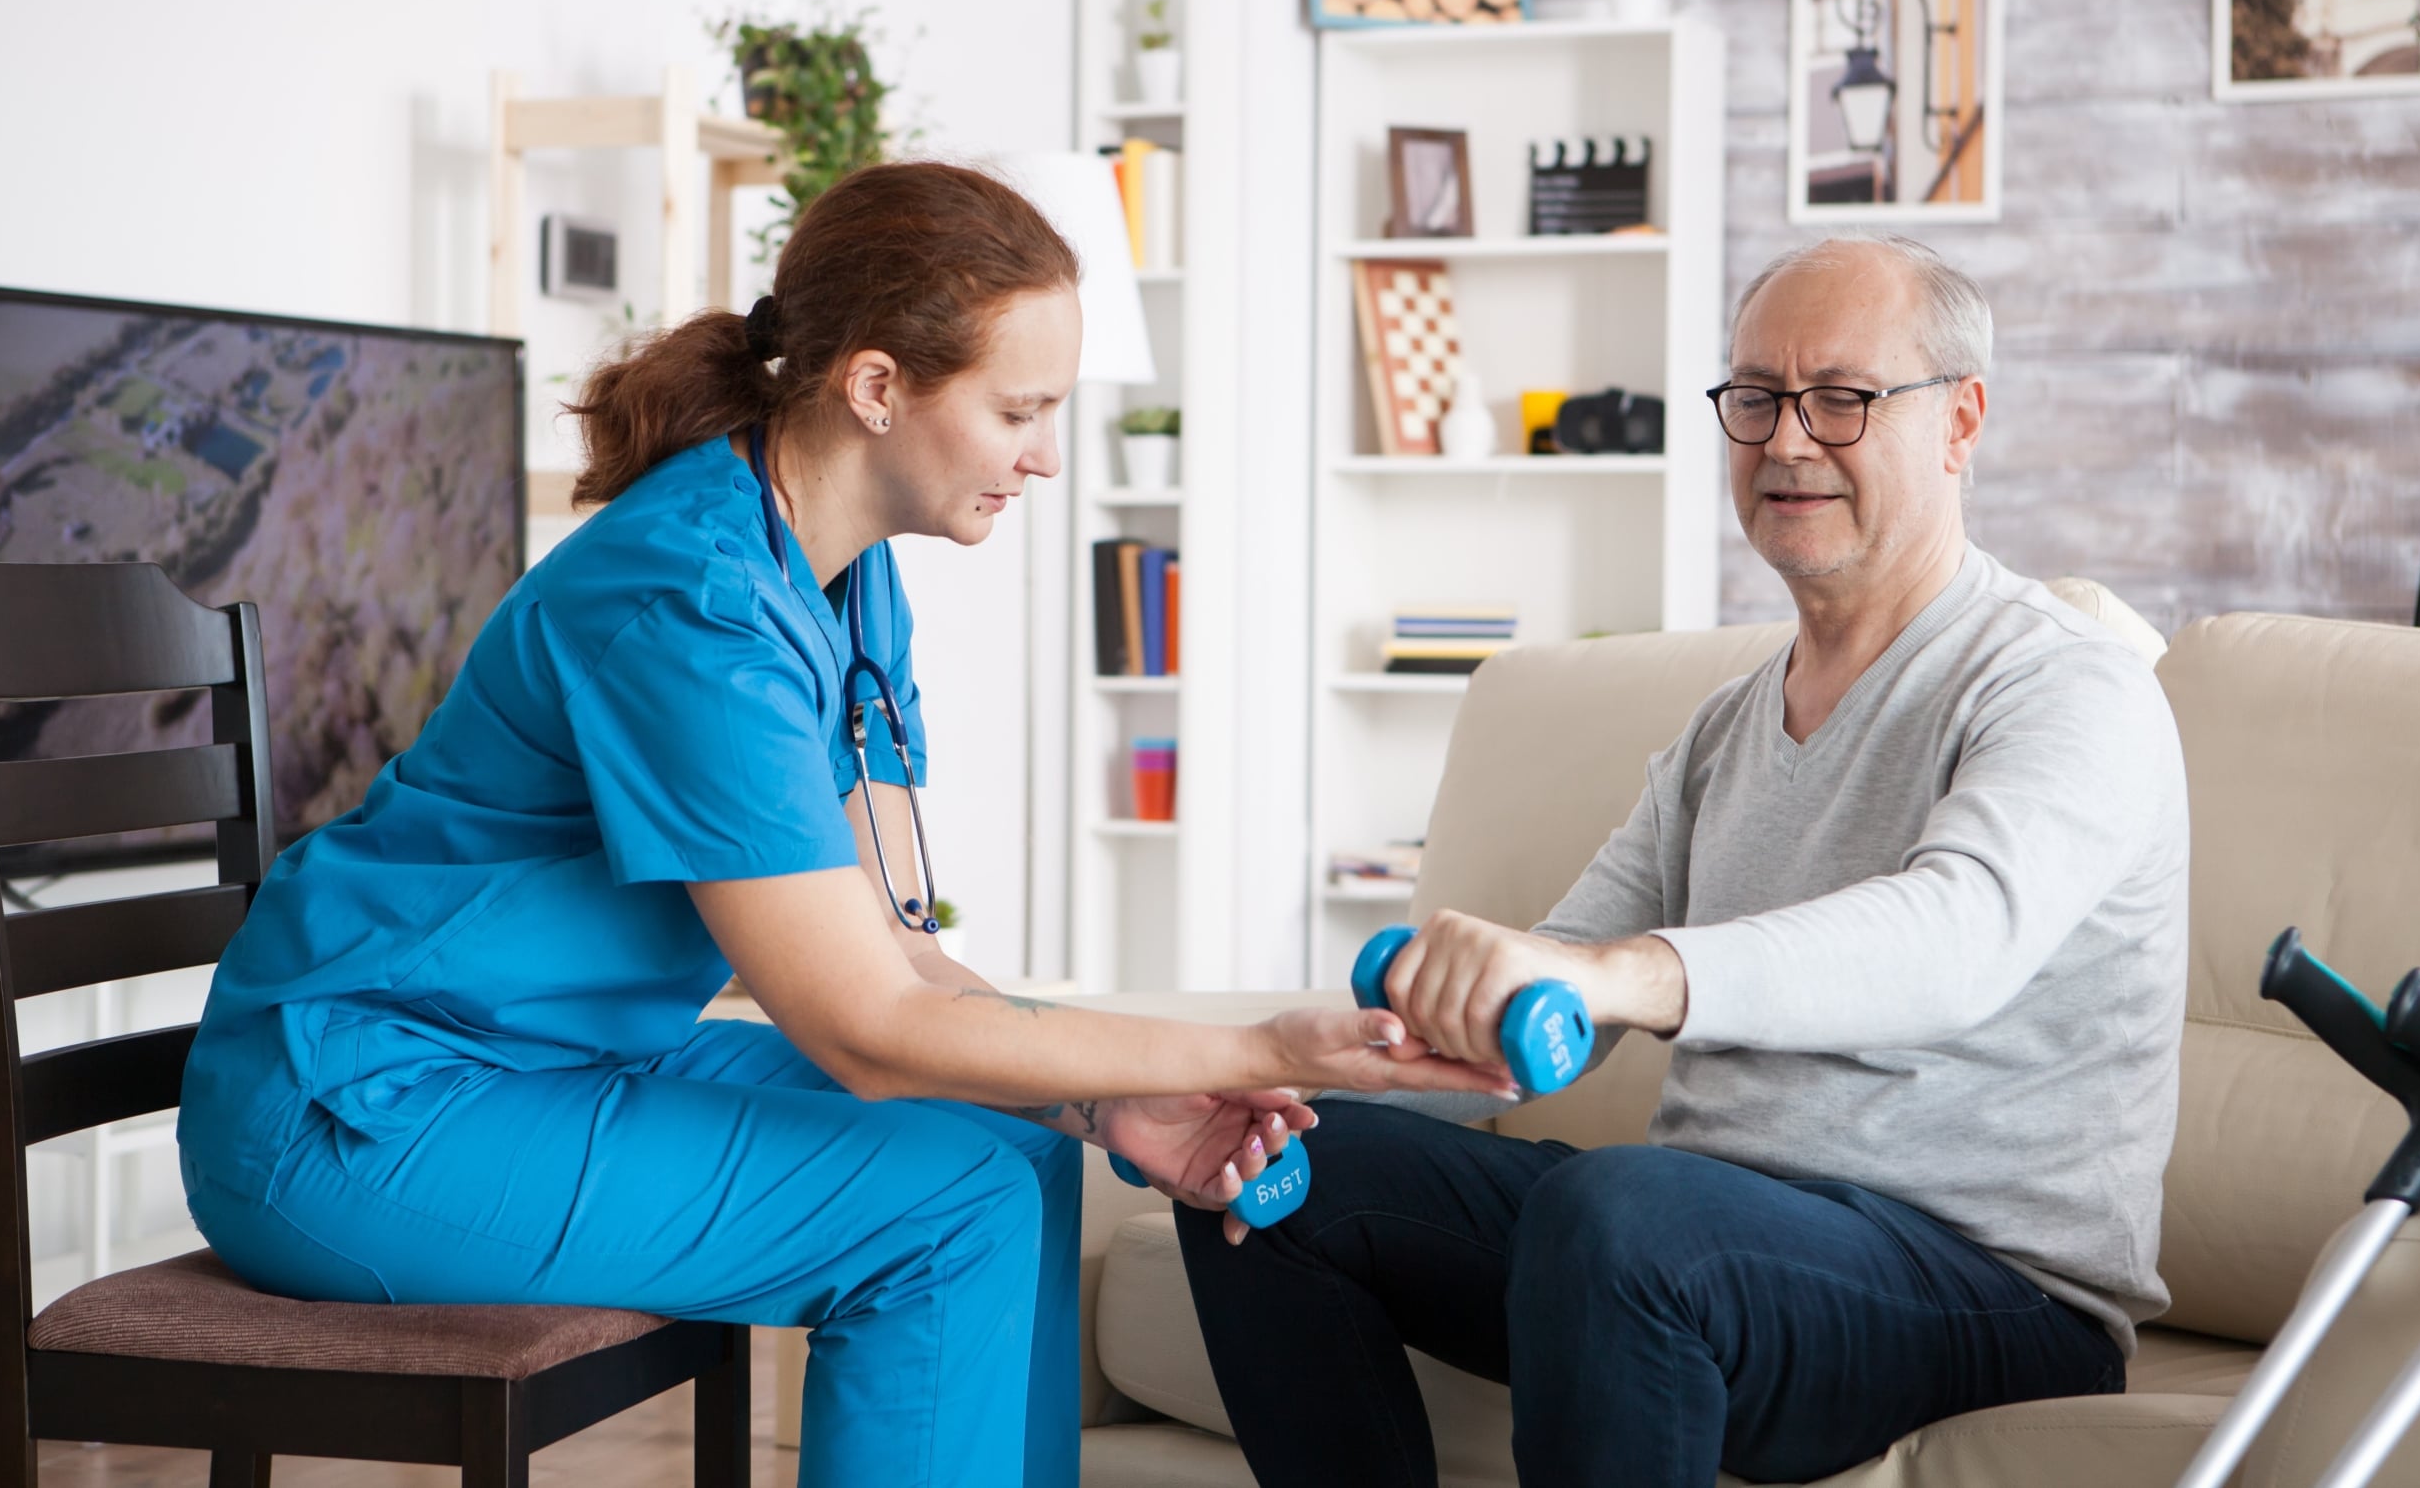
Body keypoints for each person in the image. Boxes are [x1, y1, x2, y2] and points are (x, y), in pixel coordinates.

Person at [176, 161, 1512, 1488]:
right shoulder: (690, 600)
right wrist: (1267, 1042)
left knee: (1022, 1147)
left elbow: (907, 953)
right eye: (1021, 408)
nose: (1047, 451)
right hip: (358, 1106)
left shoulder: (849, 581)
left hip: (546, 1063)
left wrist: (1105, 1097)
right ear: (878, 387)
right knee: (946, 1214)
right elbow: (864, 1025)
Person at [1173, 235, 2190, 1488]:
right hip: (1706, 1247)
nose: (1785, 441)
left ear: (1959, 422)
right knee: (1276, 1170)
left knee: (1629, 1214)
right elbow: (1540, 1003)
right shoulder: (1724, 729)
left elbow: (1956, 936)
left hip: (1985, 1288)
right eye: (1755, 397)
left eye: (1841, 398)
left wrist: (1628, 976)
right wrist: (1262, 1080)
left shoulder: (2059, 684)